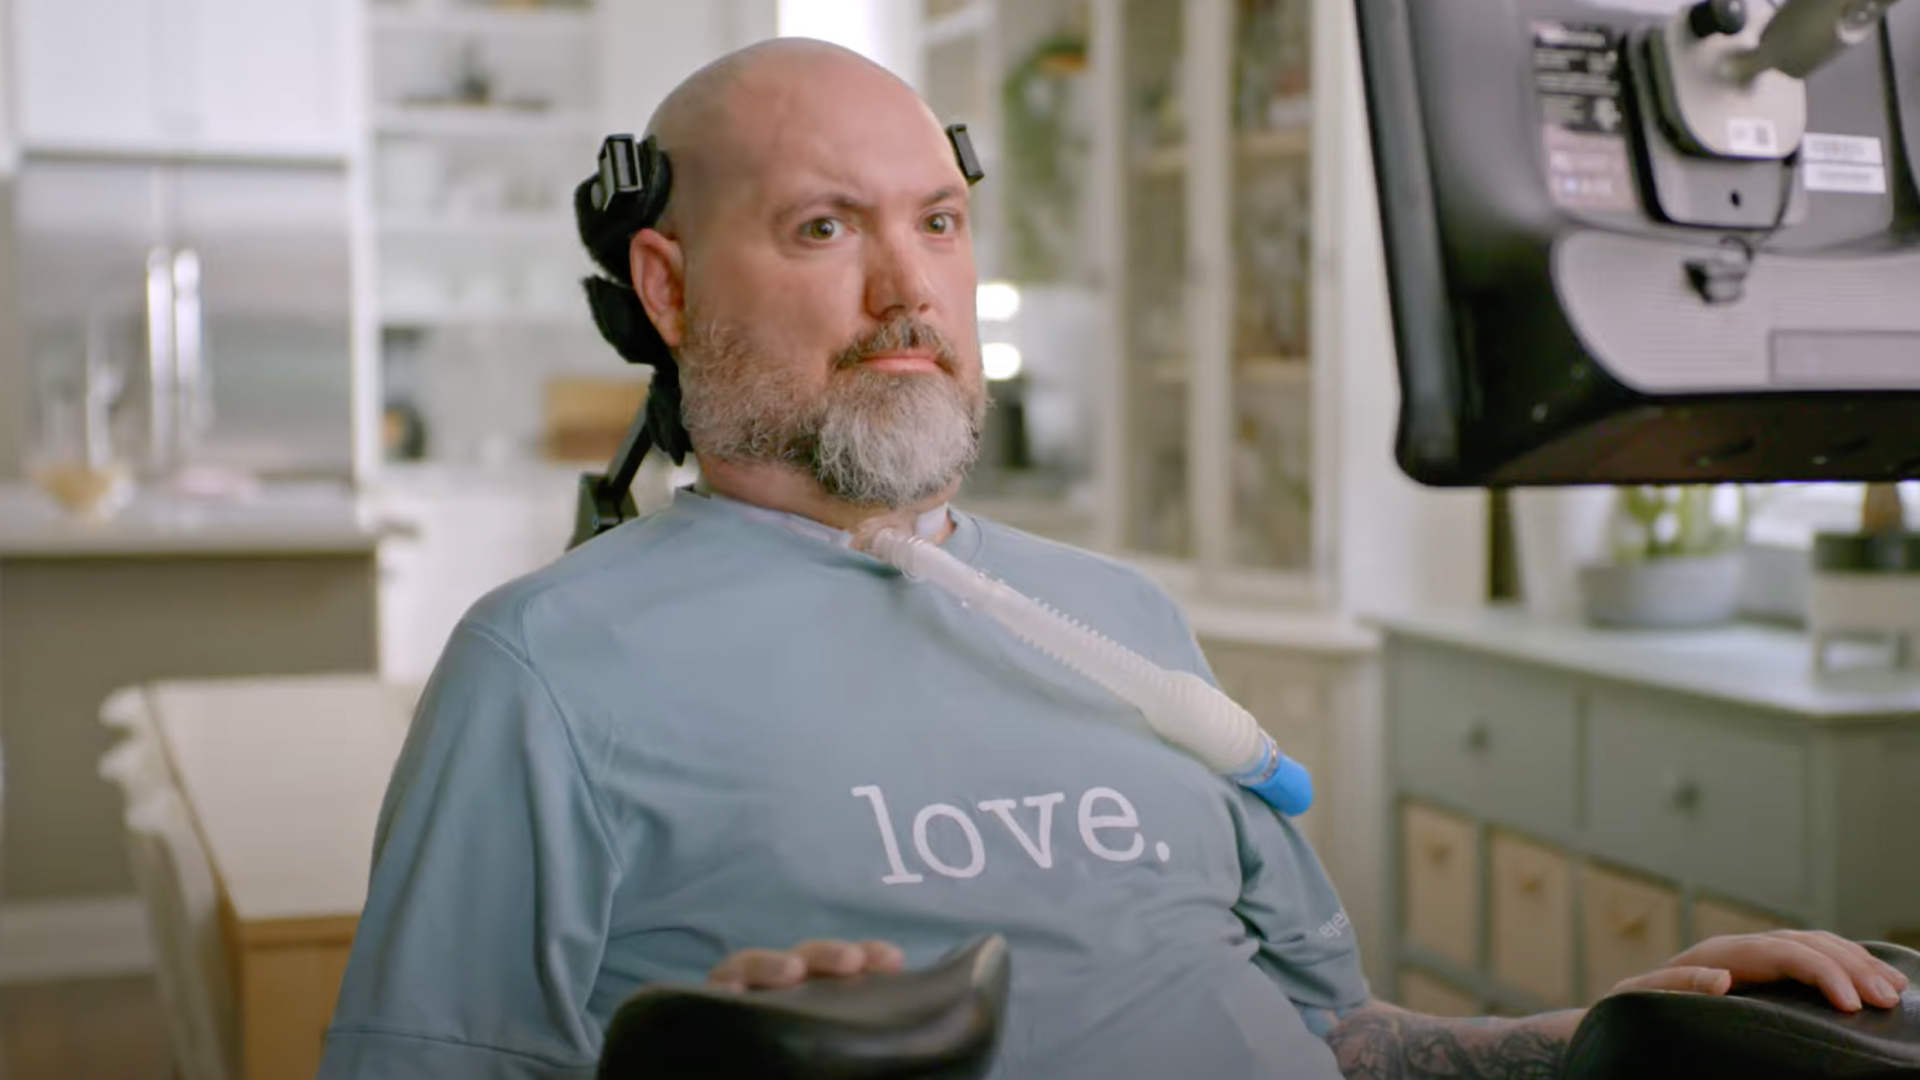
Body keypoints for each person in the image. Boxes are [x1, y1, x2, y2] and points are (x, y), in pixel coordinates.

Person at [317, 37, 1908, 1080]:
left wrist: (1603, 1033)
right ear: (663, 286)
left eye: (938, 222)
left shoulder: (1122, 621)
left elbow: (1328, 1037)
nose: (907, 293)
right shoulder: (548, 673)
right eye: (824, 230)